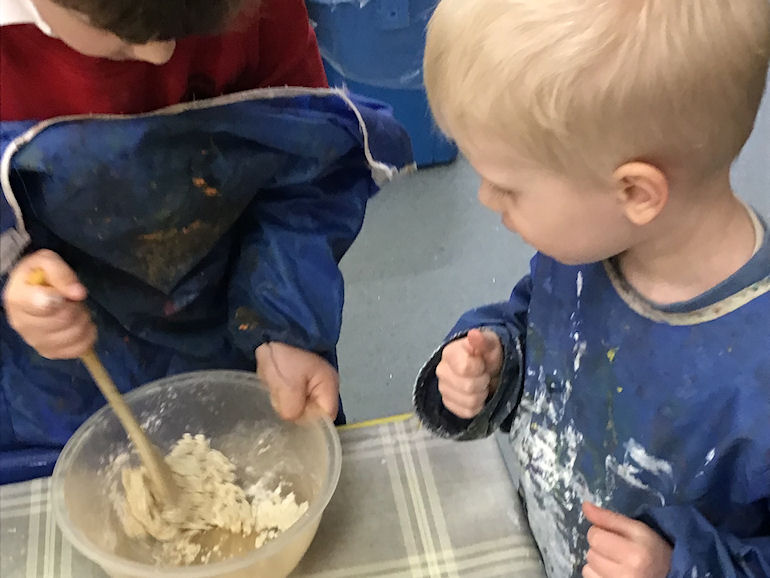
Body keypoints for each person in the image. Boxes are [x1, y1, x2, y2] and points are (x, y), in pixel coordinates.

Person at [413, 1, 770, 576]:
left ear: (635, 192)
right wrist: (494, 364)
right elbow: (540, 332)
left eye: (508, 187)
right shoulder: (585, 254)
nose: (484, 199)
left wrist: (677, 568)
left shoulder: (757, 379)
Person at [0, 0, 410, 482]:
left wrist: (282, 323)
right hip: (51, 378)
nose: (161, 54)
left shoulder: (259, 10)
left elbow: (302, 173)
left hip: (231, 316)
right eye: (122, 35)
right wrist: (14, 266)